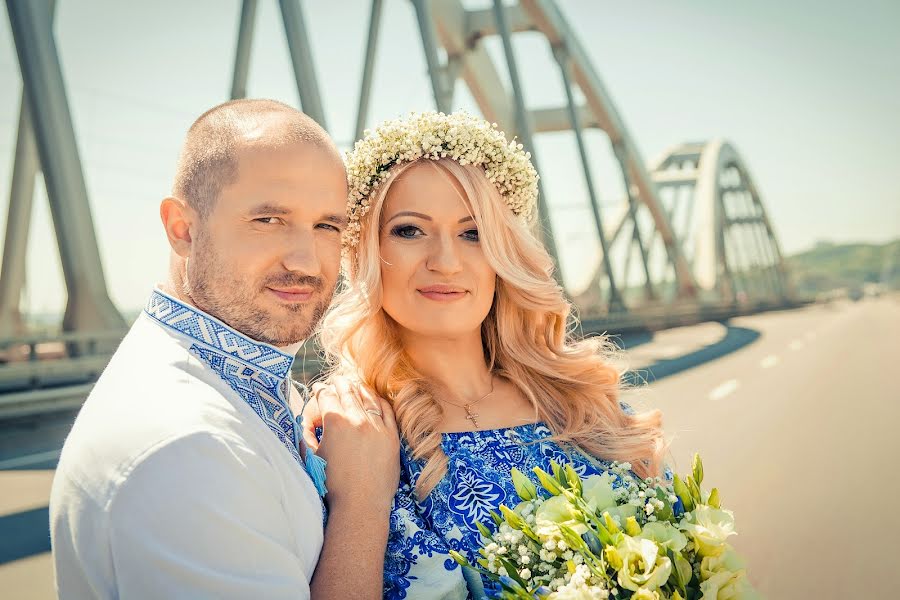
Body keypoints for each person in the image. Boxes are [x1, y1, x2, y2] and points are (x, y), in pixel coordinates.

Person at [49, 99, 399, 600]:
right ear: (183, 230)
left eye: (327, 225)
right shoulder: (185, 449)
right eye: (268, 220)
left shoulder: (234, 382)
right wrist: (364, 502)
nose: (306, 260)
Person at [314, 112, 669, 598]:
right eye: (410, 230)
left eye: (473, 233)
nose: (446, 260)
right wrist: (359, 502)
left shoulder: (586, 404)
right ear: (367, 251)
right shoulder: (352, 434)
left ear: (504, 252)